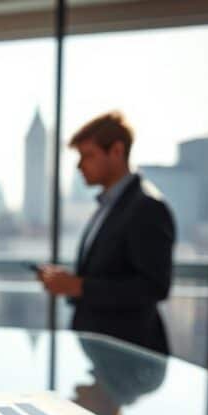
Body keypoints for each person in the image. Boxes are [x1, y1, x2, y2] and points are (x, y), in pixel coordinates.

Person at [36, 111, 175, 354]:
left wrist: (79, 287)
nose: (80, 166)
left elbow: (154, 287)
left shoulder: (147, 207)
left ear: (117, 152)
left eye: (88, 155)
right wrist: (69, 283)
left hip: (129, 354)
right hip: (102, 352)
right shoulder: (108, 206)